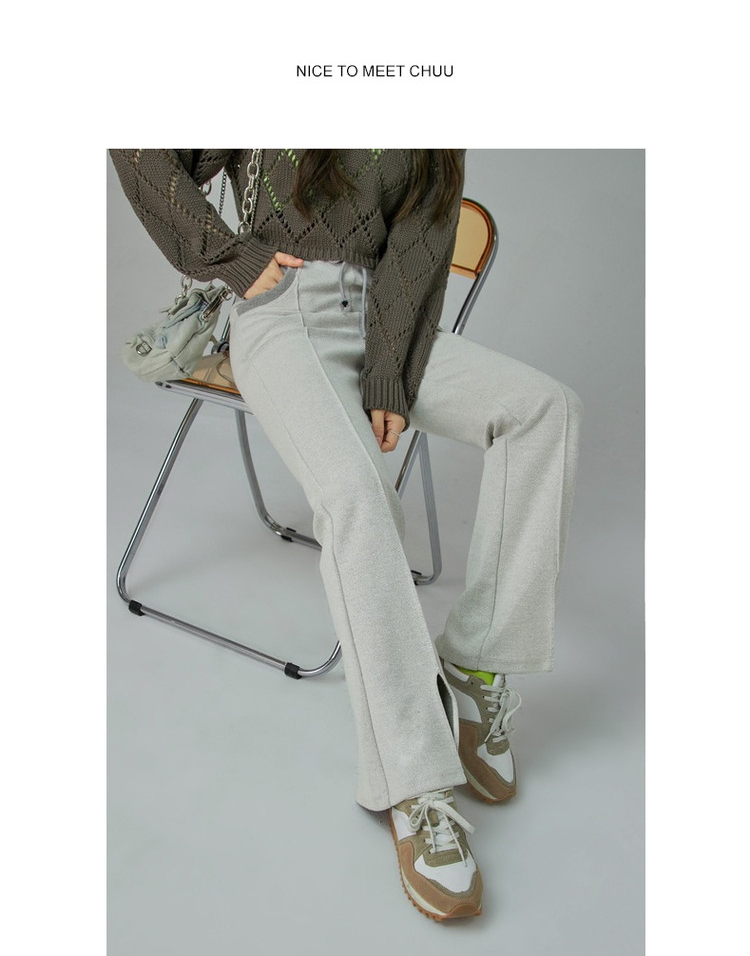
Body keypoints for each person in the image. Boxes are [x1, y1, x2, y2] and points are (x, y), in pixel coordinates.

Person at [110, 149, 583, 921]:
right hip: (283, 317)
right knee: (359, 497)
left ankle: (475, 664)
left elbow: (419, 250)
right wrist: (232, 260)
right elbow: (142, 148)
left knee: (544, 411)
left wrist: (389, 372)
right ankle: (415, 782)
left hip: (389, 325)